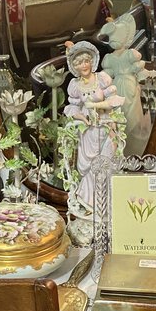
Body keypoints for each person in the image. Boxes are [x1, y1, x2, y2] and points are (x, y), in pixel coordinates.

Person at [63, 41, 126, 213]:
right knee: (87, 167)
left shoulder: (102, 79)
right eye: (79, 63)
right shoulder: (75, 86)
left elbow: (115, 101)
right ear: (74, 66)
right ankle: (89, 202)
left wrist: (98, 107)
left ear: (92, 61)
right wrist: (81, 116)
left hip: (105, 127)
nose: (84, 65)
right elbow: (72, 107)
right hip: (88, 131)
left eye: (86, 61)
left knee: (104, 164)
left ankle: (104, 203)